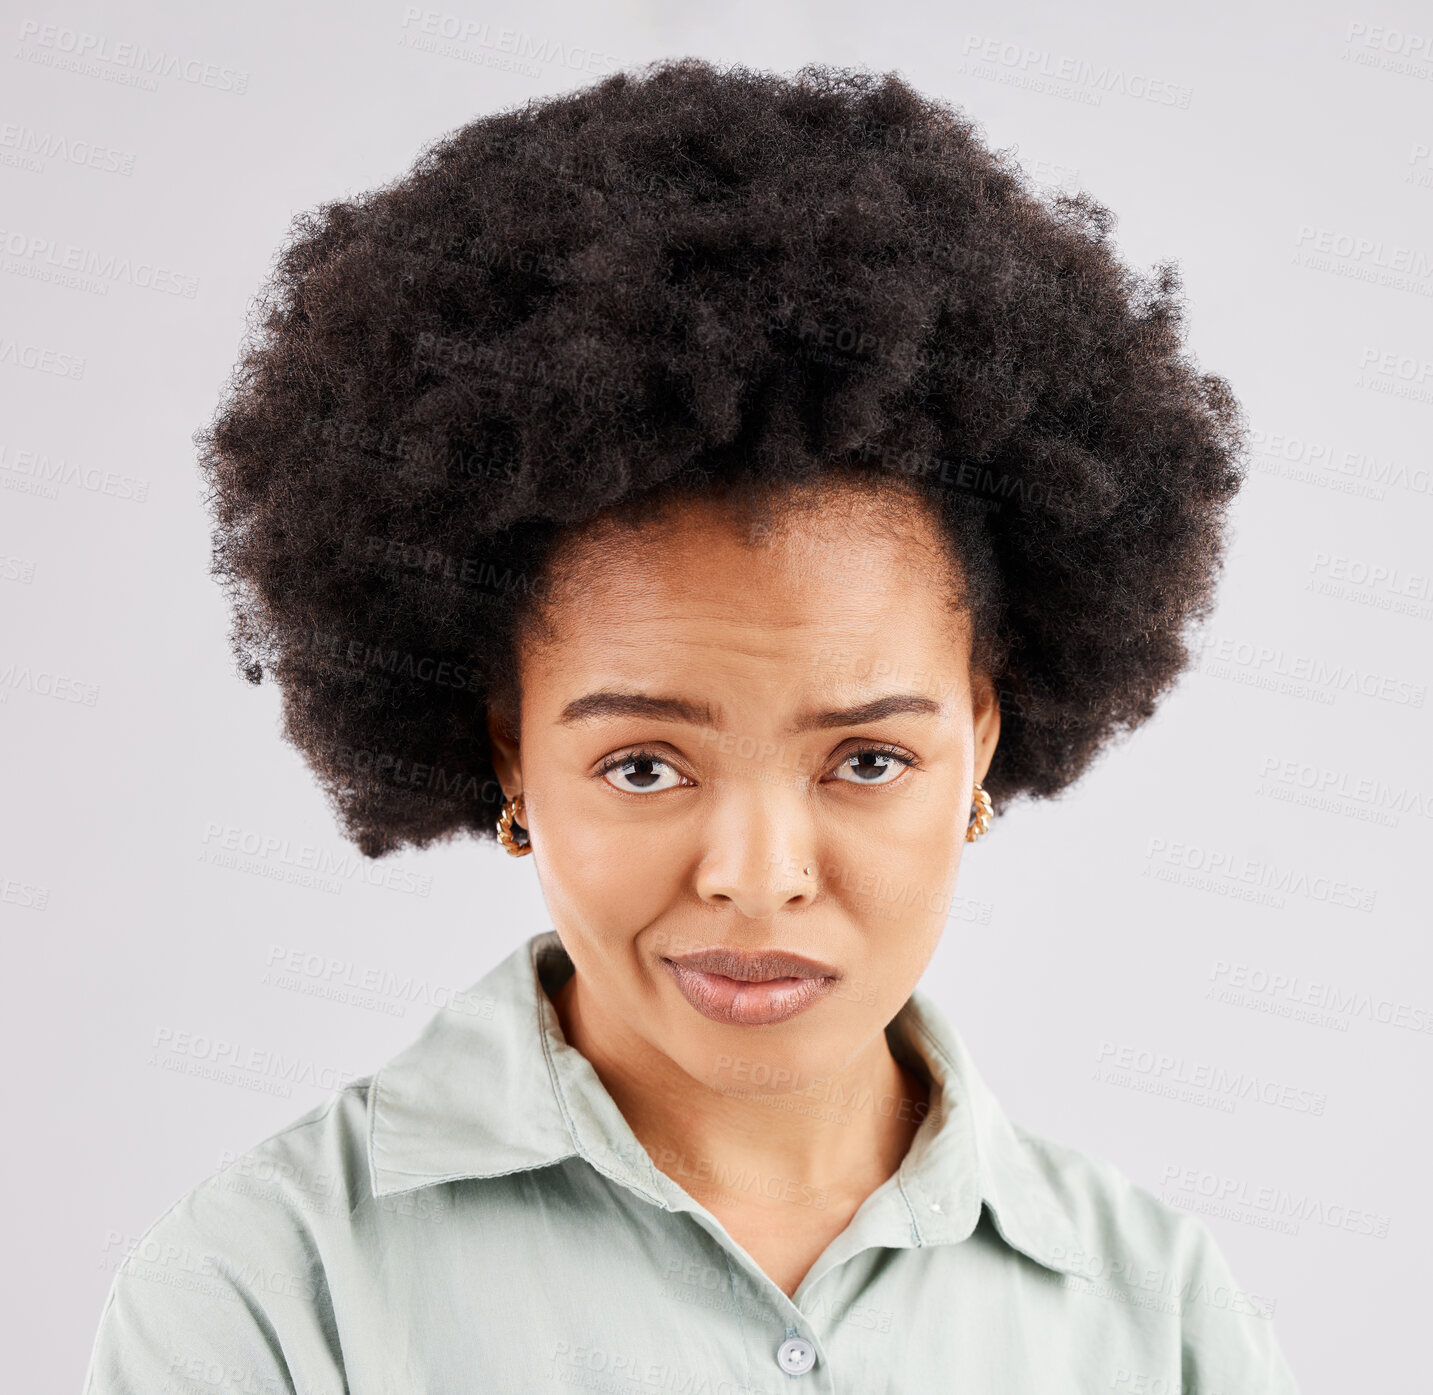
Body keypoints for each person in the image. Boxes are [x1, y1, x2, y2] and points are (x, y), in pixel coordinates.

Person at [85, 58, 1299, 1393]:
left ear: (983, 742)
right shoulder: (268, 1293)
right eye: (645, 764)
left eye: (867, 759)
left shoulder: (1149, 1312)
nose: (757, 871)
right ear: (508, 752)